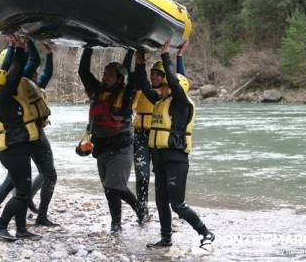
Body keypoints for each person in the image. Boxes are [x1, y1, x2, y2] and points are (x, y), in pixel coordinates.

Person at [135, 41, 215, 248]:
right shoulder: (160, 102)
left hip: (176, 159)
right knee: (161, 201)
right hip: (160, 157)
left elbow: (173, 78)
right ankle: (166, 239)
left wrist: (166, 55)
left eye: (165, 86)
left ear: (173, 89)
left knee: (177, 204)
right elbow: (144, 86)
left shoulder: (181, 102)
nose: (160, 88)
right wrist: (140, 62)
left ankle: (205, 232)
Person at [0, 38, 57, 229]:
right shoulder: (12, 81)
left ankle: (36, 215)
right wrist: (22, 42)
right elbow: (28, 62)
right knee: (15, 181)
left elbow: (43, 71)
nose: (33, 72)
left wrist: (47, 53)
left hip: (34, 132)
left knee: (45, 175)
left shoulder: (29, 82)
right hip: (24, 137)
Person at [78, 46, 147, 233]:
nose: (105, 77)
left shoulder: (126, 94)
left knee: (114, 186)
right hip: (101, 148)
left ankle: (119, 223)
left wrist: (133, 53)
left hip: (122, 148)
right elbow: (83, 72)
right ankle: (134, 213)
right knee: (111, 189)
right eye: (105, 73)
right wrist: (88, 48)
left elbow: (136, 79)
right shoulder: (95, 91)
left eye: (110, 75)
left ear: (119, 79)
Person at [132, 40, 189, 215]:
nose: (155, 77)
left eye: (159, 75)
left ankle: (168, 210)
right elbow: (141, 80)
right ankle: (142, 208)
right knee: (142, 174)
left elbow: (179, 78)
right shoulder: (149, 93)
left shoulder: (172, 99)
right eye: (153, 74)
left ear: (165, 79)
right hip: (142, 135)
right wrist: (140, 61)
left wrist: (178, 56)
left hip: (160, 142)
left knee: (161, 179)